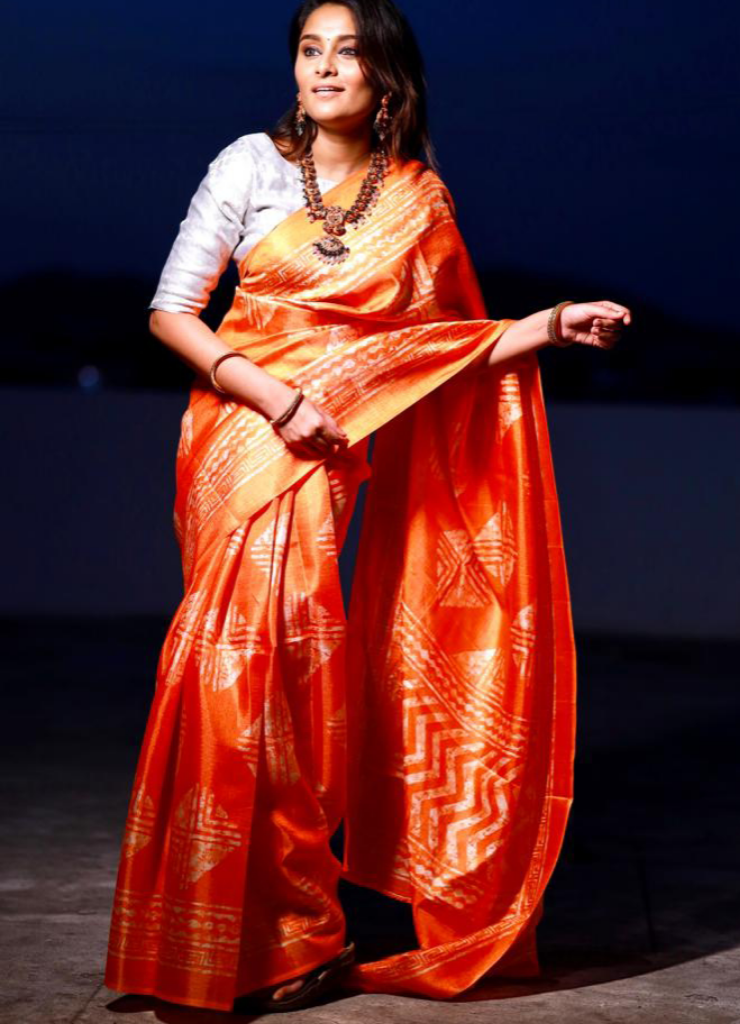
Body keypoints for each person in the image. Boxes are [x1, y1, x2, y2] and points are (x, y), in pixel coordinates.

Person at [102, 0, 631, 1014]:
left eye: (347, 51)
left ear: (387, 78)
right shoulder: (248, 165)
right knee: (226, 671)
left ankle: (292, 934)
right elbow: (172, 312)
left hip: (329, 454)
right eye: (309, 49)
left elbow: (439, 346)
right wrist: (277, 397)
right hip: (240, 438)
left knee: (297, 685)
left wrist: (553, 324)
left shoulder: (418, 200)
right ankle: (204, 936)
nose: (324, 67)